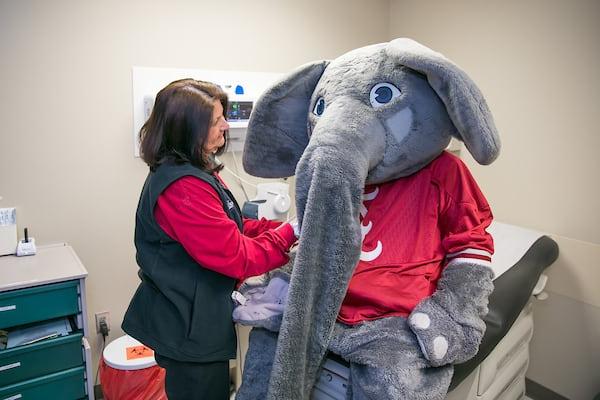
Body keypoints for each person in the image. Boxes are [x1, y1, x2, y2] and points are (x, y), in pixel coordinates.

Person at [122, 78, 297, 400]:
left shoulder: (194, 170)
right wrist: (291, 233)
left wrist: (275, 229)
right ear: (188, 128)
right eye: (216, 120)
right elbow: (237, 256)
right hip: (187, 324)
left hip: (191, 311)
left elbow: (230, 224)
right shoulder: (183, 186)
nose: (226, 126)